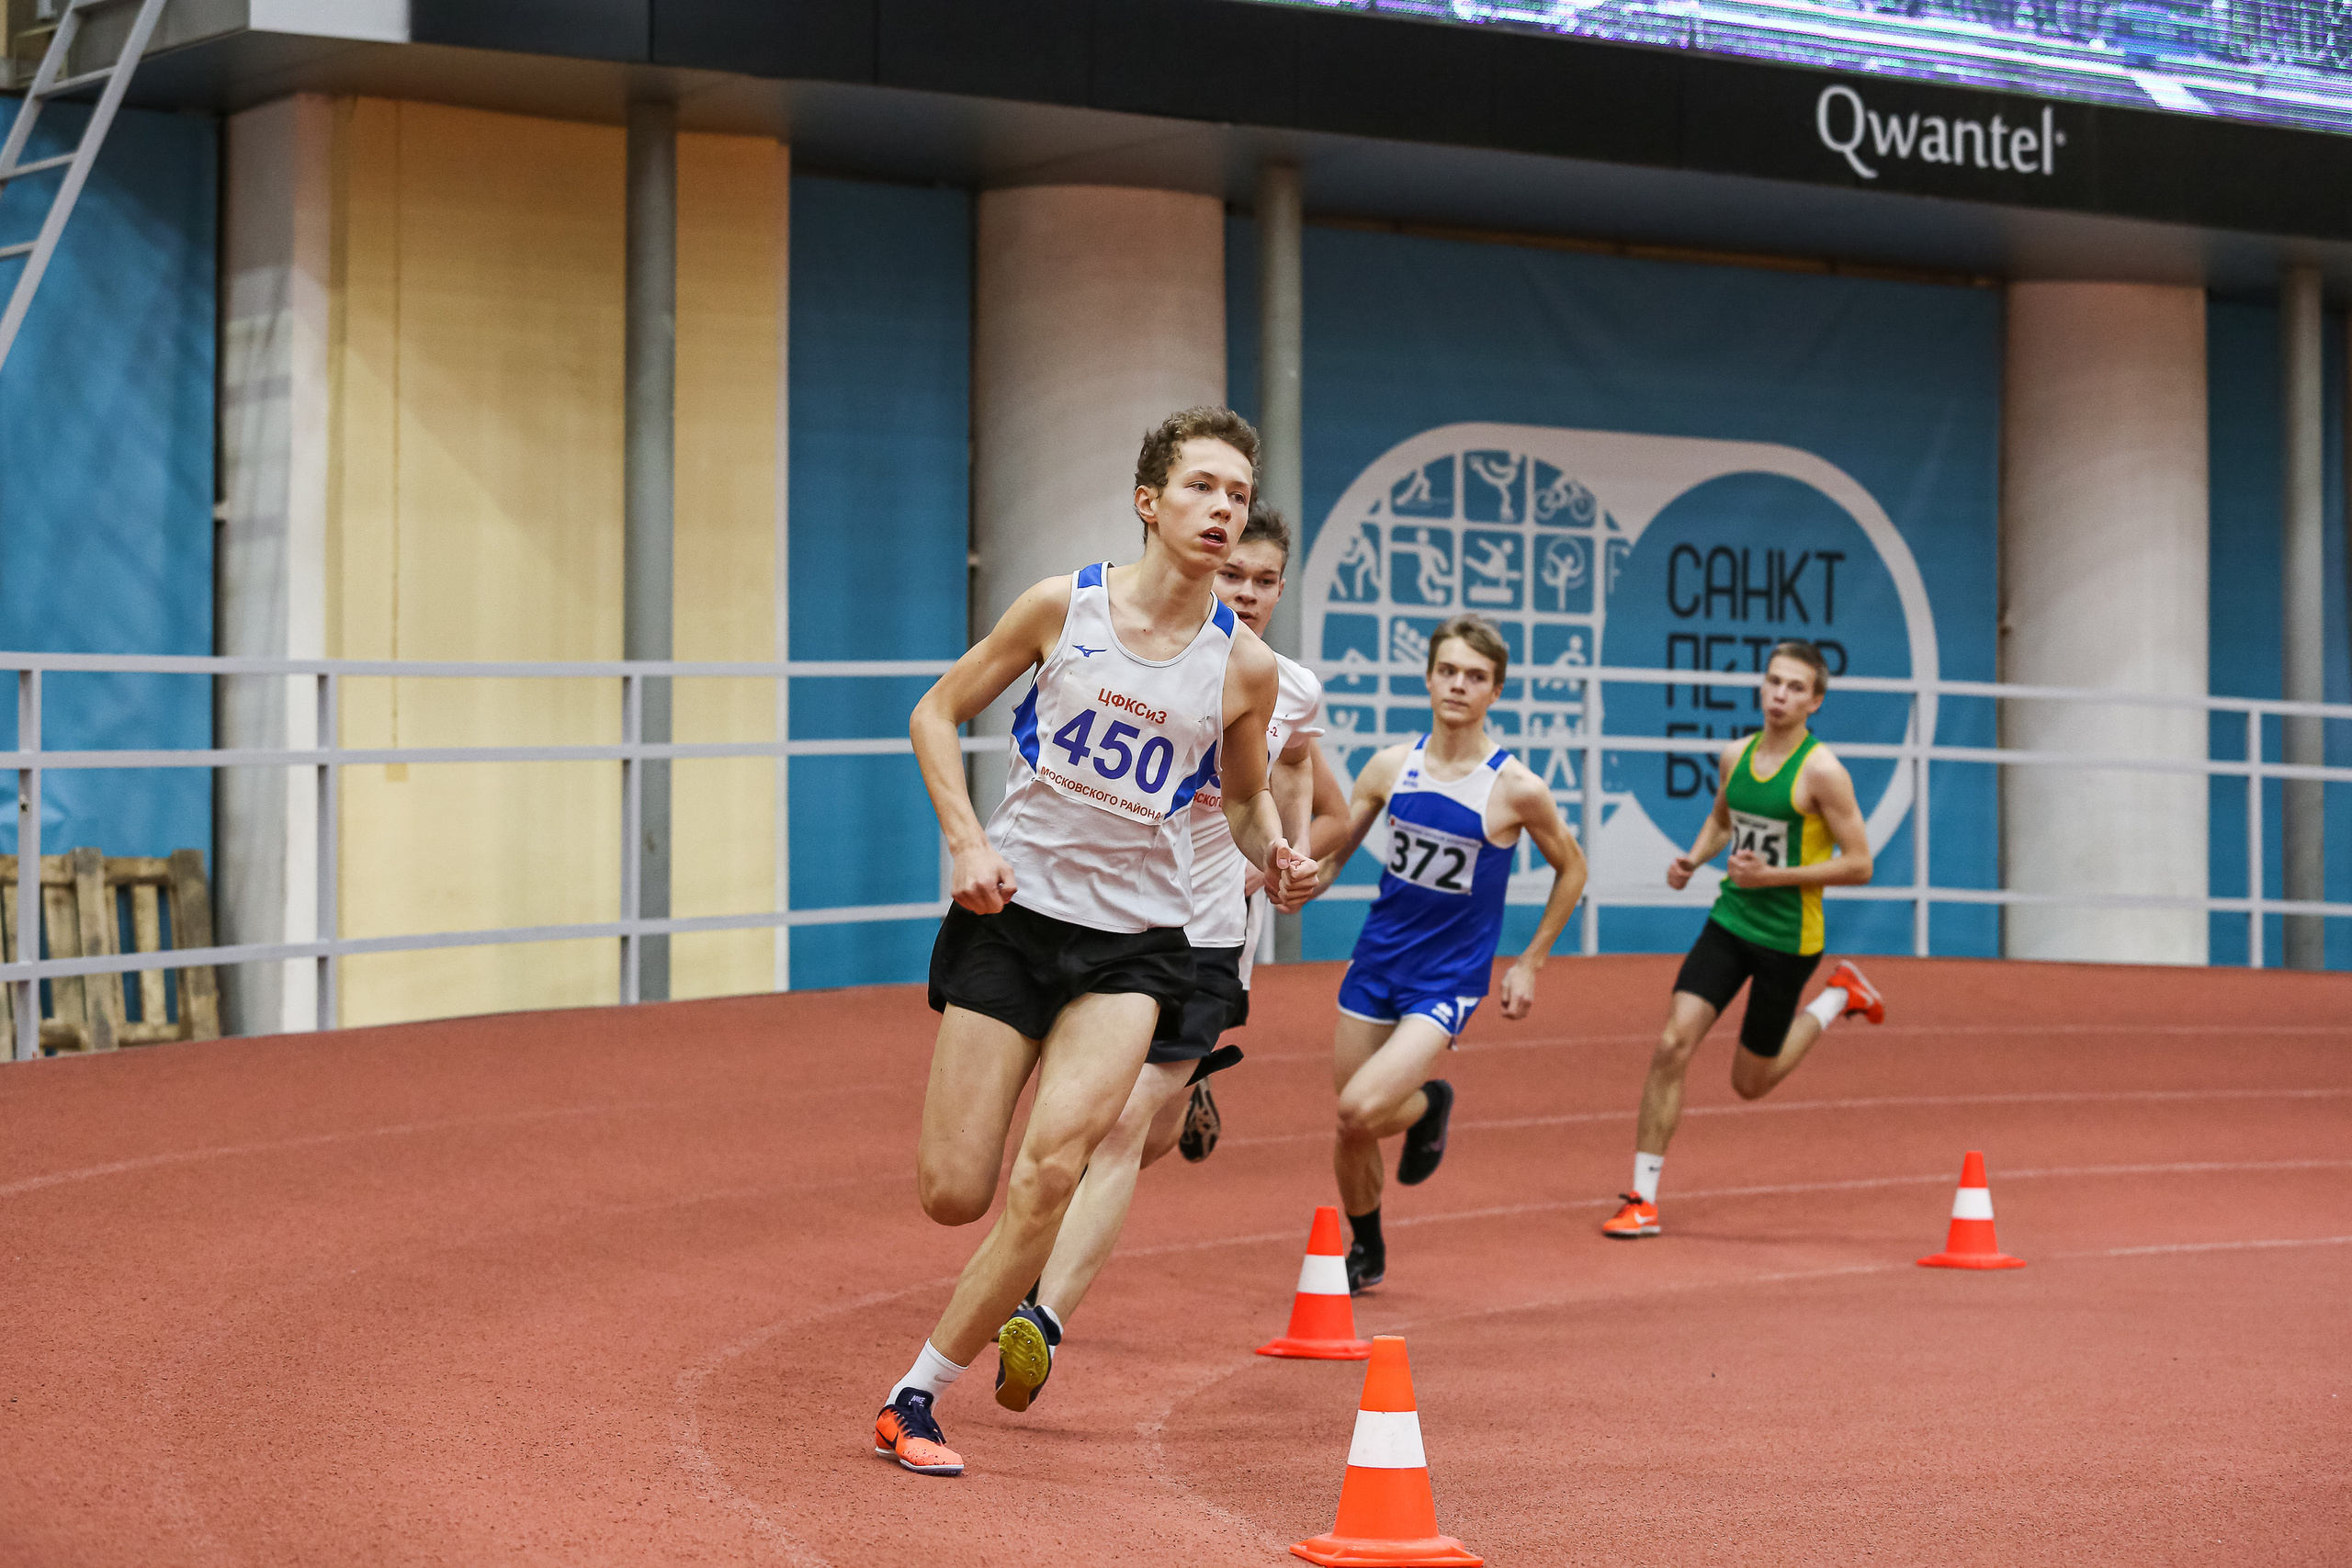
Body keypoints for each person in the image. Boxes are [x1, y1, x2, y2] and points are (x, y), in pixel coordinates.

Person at [873, 408, 1317, 1477]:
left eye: (1237, 495)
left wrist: (1277, 857)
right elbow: (937, 713)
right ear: (1149, 502)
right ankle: (947, 1342)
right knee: (954, 1192)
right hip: (1013, 923)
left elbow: (1250, 803)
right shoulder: (1059, 608)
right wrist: (966, 840)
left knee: (1054, 1171)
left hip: (1137, 949)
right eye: (1202, 488)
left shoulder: (1242, 671)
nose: (1223, 509)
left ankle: (915, 1398)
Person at [990, 500, 1351, 1414]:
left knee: (1113, 1132)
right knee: (1104, 1130)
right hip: (1113, 924)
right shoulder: (1135, 653)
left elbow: (1307, 778)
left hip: (1208, 940)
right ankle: (1180, 1101)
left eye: (1266, 580)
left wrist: (1287, 855)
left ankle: (1041, 1316)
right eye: (1236, 574)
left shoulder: (1286, 686)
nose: (1249, 592)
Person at [1309, 615, 1589, 1292]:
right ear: (1429, 676)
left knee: (1357, 1109)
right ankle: (1368, 1246)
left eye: (1475, 676)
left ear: (1496, 690)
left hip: (1447, 978)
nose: (1458, 685)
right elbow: (1339, 846)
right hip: (1376, 961)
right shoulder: (1389, 766)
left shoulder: (1515, 787)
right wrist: (1304, 879)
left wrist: (1530, 961)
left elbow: (1572, 870)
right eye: (1448, 670)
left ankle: (1428, 1100)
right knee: (1352, 1125)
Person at [1602, 640, 1885, 1241]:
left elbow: (1859, 864)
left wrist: (1773, 876)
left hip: (1789, 937)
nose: (1779, 694)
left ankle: (1838, 994)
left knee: (1748, 1084)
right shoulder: (1737, 754)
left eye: (1794, 687)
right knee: (1672, 1041)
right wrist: (1693, 858)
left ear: (1816, 701)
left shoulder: (1823, 772)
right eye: (1773, 682)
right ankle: (1642, 1198)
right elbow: (1723, 820)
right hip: (1730, 921)